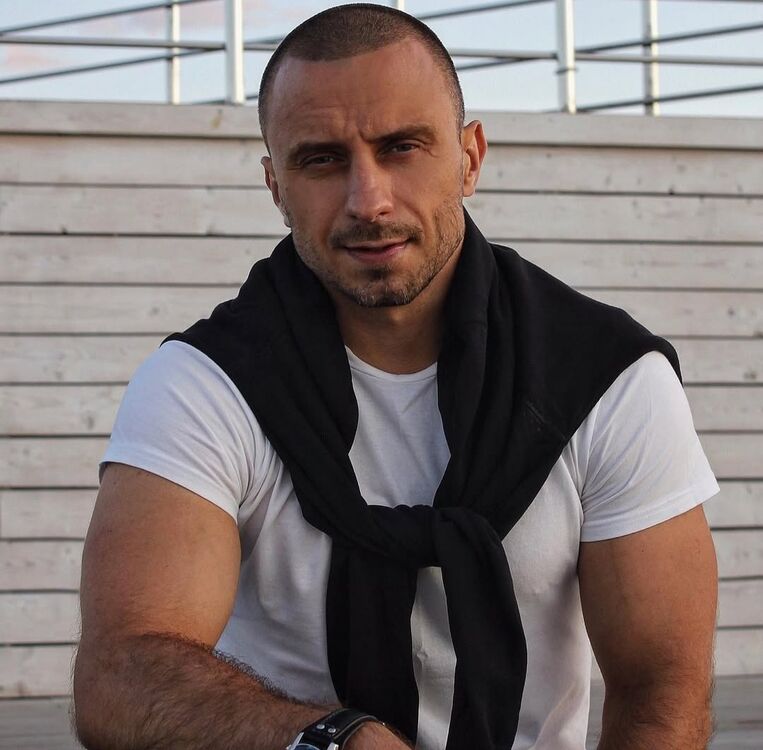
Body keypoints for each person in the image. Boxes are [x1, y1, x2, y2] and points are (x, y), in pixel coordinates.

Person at [73, 4, 719, 750]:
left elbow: (660, 695)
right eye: (321, 160)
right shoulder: (204, 385)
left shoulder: (606, 378)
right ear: (275, 184)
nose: (368, 201)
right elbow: (121, 675)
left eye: (402, 147)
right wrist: (334, 741)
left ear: (469, 158)